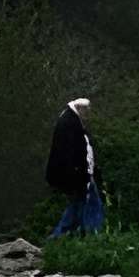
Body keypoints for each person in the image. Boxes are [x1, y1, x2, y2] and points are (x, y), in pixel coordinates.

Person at [45, 96, 105, 237]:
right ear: (79, 108)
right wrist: (80, 173)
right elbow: (70, 152)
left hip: (81, 174)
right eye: (86, 110)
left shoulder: (71, 121)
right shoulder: (69, 123)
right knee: (89, 205)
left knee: (79, 206)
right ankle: (89, 234)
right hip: (78, 175)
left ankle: (66, 236)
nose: (87, 114)